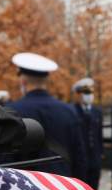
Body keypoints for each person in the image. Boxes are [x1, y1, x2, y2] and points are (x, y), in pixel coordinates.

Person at [8, 52, 86, 180]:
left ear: (23, 80)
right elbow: (80, 157)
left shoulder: (12, 111)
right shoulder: (69, 111)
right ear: (46, 80)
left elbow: (7, 160)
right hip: (63, 188)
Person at [72, 78, 104, 190]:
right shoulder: (72, 111)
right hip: (79, 159)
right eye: (85, 93)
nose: (89, 95)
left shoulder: (97, 112)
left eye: (90, 93)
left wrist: (101, 154)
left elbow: (99, 134)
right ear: (78, 94)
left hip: (95, 159)